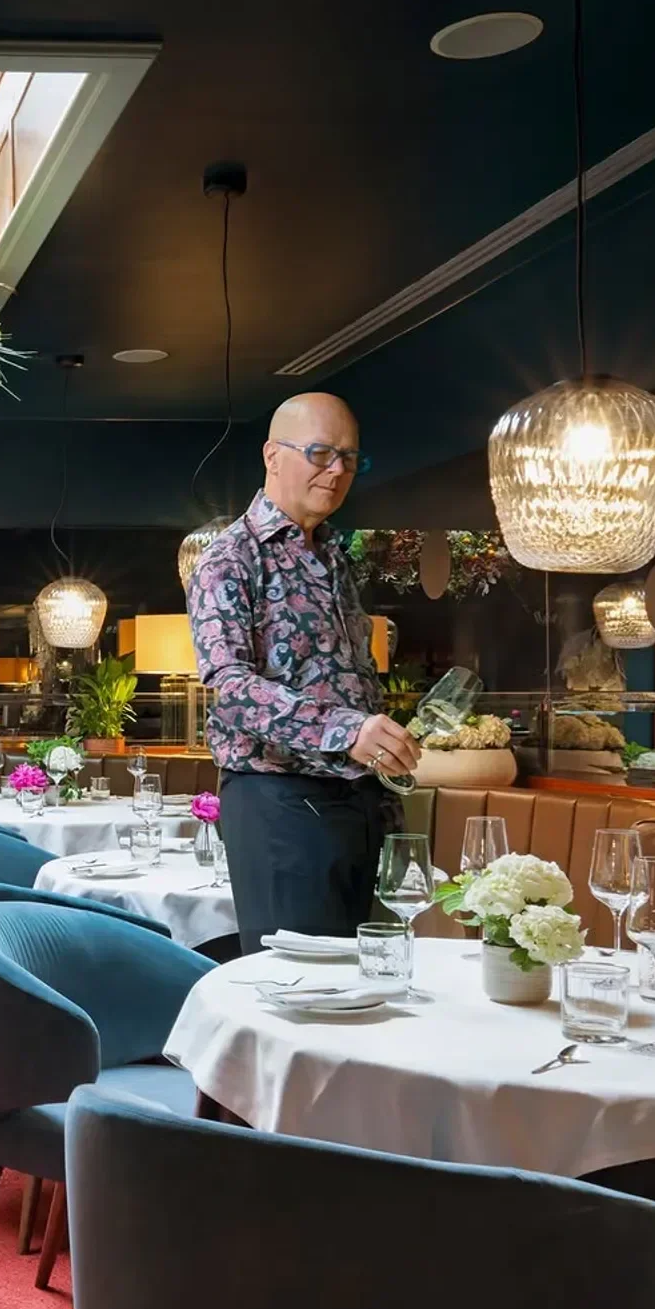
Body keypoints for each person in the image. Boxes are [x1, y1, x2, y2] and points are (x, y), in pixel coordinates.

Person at [186, 392, 421, 954]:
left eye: (349, 458)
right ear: (272, 455)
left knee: (371, 983)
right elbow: (230, 688)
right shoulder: (231, 560)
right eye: (320, 453)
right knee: (296, 991)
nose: (337, 471)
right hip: (280, 806)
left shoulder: (335, 556)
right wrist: (347, 731)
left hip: (364, 802)